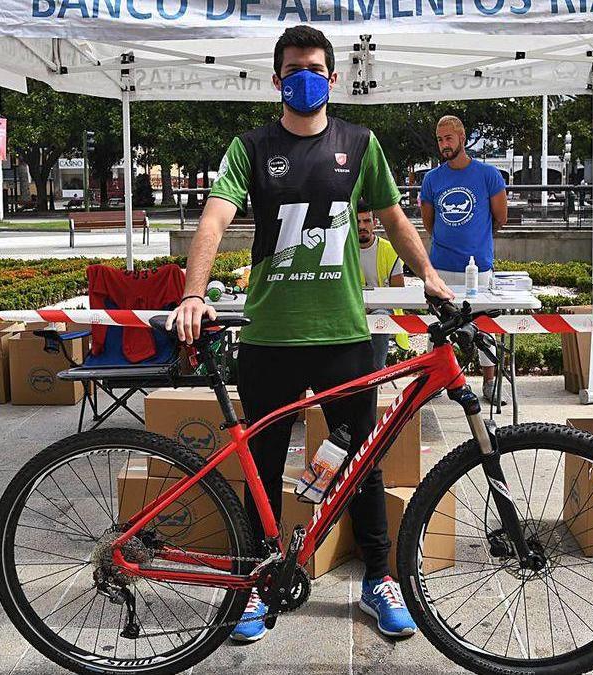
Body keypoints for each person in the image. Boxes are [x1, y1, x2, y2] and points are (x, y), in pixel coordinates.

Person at [166, 25, 453, 643]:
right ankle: (253, 587)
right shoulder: (250, 147)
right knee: (263, 465)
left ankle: (379, 579)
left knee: (360, 462)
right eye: (294, 67)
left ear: (333, 77)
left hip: (344, 334)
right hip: (270, 336)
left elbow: (396, 217)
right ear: (277, 80)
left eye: (316, 67)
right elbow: (214, 221)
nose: (306, 77)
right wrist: (193, 293)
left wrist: (430, 275)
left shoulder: (360, 142)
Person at [418, 115, 508, 404]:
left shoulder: (488, 175)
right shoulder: (432, 179)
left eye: (449, 138)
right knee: (438, 329)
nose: (444, 144)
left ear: (462, 138)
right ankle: (432, 381)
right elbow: (429, 223)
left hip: (478, 269)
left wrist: (475, 241)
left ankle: (491, 382)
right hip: (440, 269)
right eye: (440, 139)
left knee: (483, 328)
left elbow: (501, 218)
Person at [355, 199, 409, 370]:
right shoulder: (344, 250)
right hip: (354, 308)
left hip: (383, 308)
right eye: (357, 221)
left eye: (366, 220)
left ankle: (375, 373)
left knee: (379, 315)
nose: (362, 226)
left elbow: (398, 292)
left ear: (374, 222)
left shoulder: (389, 249)